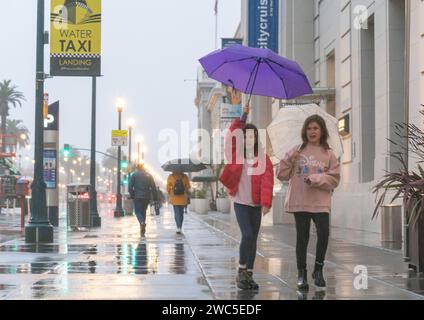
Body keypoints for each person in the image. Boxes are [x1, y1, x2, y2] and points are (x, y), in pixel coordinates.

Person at [276, 114, 340, 291]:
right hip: (300, 200)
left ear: (321, 131)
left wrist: (317, 178)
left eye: (316, 128)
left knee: (324, 234)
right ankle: (302, 274)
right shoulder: (295, 151)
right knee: (302, 238)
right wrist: (290, 160)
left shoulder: (328, 153)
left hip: (320, 202)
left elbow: (335, 179)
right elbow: (281, 175)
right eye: (309, 128)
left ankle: (318, 270)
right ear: (305, 131)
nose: (312, 131)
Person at [219, 103, 274, 291]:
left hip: (256, 204)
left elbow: (268, 182)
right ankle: (241, 270)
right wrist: (243, 116)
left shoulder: (263, 158)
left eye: (253, 136)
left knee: (254, 239)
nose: (250, 139)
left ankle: (249, 275)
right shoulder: (236, 155)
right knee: (247, 235)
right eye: (246, 136)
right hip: (241, 202)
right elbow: (230, 136)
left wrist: (266, 203)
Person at [128, 163, 158, 237]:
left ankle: (142, 223)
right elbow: (153, 187)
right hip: (146, 197)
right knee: (143, 211)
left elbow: (130, 186)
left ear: (137, 167)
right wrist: (155, 198)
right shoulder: (149, 175)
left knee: (137, 211)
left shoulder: (134, 175)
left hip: (137, 196)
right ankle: (142, 226)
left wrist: (132, 195)